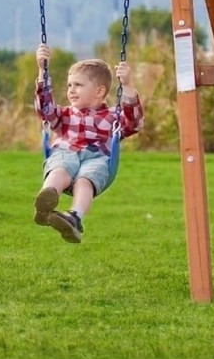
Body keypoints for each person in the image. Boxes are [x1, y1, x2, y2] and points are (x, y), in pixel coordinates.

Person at [32, 43, 144, 243]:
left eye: (78, 85)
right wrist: (42, 71)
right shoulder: (64, 115)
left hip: (96, 158)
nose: (71, 90)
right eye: (69, 85)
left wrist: (126, 85)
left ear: (99, 91)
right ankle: (46, 200)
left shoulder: (112, 117)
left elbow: (134, 122)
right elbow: (44, 108)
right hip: (66, 154)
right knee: (60, 169)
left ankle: (74, 218)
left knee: (85, 180)